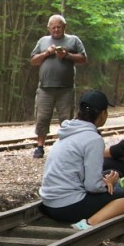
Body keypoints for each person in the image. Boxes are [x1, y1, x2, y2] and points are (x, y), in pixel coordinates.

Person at [40, 90, 124, 231]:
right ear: (103, 114)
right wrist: (107, 185)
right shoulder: (93, 139)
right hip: (66, 207)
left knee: (113, 172)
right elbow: (92, 187)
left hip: (48, 204)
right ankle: (87, 224)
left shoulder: (68, 131)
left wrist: (103, 180)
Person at [28, 14, 88, 158]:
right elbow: (33, 60)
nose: (56, 30)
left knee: (66, 119)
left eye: (59, 27)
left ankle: (66, 147)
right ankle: (40, 147)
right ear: (49, 28)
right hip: (45, 88)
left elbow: (83, 59)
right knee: (42, 118)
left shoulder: (73, 40)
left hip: (65, 88)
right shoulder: (43, 41)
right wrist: (46, 53)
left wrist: (67, 55)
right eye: (53, 27)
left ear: (64, 27)